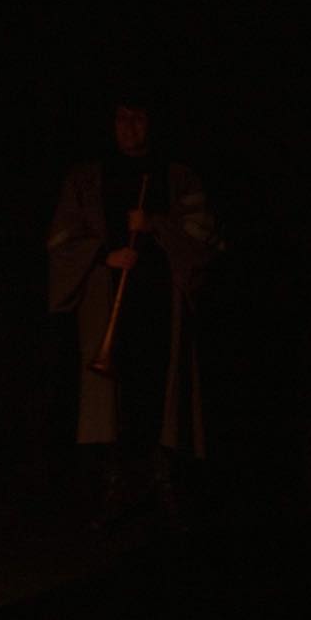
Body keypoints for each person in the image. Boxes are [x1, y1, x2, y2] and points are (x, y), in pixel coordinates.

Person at [47, 92, 222, 531]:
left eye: (138, 118)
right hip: (108, 307)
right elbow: (62, 241)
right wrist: (105, 255)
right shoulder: (86, 179)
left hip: (162, 305)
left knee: (161, 393)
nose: (129, 128)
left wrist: (156, 225)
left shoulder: (178, 178)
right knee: (111, 401)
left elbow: (203, 244)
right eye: (121, 118)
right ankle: (112, 491)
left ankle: (166, 487)